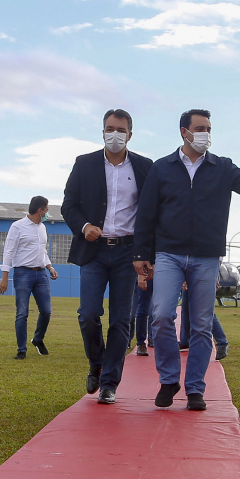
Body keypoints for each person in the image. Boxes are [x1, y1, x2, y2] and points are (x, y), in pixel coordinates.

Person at [133, 108, 240, 411]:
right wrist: (141, 255)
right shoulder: (162, 168)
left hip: (206, 257)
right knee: (161, 315)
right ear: (184, 132)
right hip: (168, 254)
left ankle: (195, 389)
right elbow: (146, 214)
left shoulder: (222, 167)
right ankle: (169, 379)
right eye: (200, 128)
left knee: (201, 324)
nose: (206, 134)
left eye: (209, 129)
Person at [61, 109, 154, 405]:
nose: (115, 134)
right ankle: (96, 363)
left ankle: (110, 383)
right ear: (102, 131)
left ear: (130, 134)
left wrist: (146, 253)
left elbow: (151, 212)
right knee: (88, 314)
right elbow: (68, 206)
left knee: (121, 321)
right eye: (109, 128)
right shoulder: (84, 164)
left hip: (128, 252)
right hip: (94, 250)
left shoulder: (144, 167)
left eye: (121, 129)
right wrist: (84, 226)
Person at [0, 196, 58, 359]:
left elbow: (42, 251)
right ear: (40, 210)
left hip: (41, 274)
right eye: (46, 209)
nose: (47, 213)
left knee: (46, 311)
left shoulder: (43, 228)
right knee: (22, 312)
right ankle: (21, 350)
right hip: (22, 273)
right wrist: (5, 276)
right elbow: (8, 251)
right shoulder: (17, 226)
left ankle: (38, 339)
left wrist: (50, 267)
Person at [179, 283, 229, 360]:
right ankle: (185, 341)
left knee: (205, 310)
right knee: (186, 308)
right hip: (188, 274)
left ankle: (222, 343)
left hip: (202, 275)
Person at [134, 275, 153, 356]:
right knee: (143, 308)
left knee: (156, 308)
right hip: (146, 271)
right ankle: (141, 343)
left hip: (163, 270)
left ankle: (153, 337)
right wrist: (141, 275)